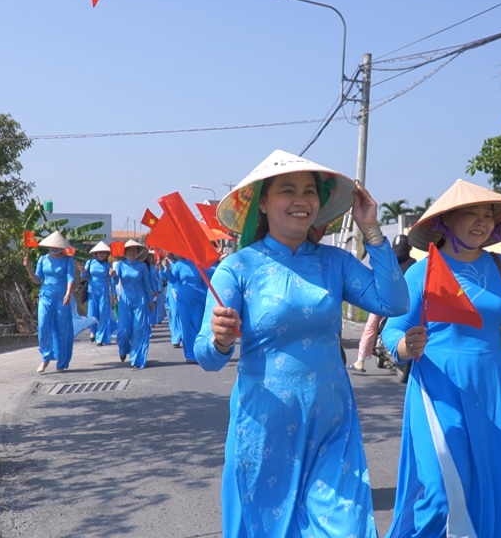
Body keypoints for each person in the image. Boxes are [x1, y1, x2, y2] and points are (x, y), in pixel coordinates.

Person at [194, 149, 410, 538]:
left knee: (343, 528)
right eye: (287, 191)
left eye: (309, 192)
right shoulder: (238, 267)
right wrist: (220, 340)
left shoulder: (335, 263)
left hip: (331, 424)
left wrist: (371, 231)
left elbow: (394, 302)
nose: (301, 200)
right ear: (263, 203)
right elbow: (206, 357)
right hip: (263, 428)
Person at [382, 179, 501, 538]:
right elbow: (393, 331)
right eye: (471, 214)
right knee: (439, 493)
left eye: (487, 215)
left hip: (495, 394)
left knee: (493, 489)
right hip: (437, 393)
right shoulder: (423, 270)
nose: (481, 222)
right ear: (446, 222)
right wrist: (405, 346)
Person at [350, 234, 417, 372]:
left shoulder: (389, 261)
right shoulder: (413, 263)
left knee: (371, 327)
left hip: (384, 302)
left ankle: (360, 360)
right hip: (407, 303)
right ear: (409, 248)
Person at [24, 231, 76, 373]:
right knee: (43, 325)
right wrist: (28, 268)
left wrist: (68, 293)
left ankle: (62, 361)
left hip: (62, 297)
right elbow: (37, 280)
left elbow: (70, 278)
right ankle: (45, 357)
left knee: (62, 328)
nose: (54, 247)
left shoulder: (67, 259)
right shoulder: (42, 259)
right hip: (46, 296)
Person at [165, 253, 212, 364]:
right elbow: (172, 280)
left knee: (198, 326)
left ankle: (199, 353)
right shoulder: (179, 265)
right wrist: (167, 269)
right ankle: (190, 355)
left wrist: (209, 300)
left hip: (199, 299)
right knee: (186, 326)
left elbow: (207, 283)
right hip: (183, 300)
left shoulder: (202, 265)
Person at [114, 240, 154, 369]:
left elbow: (146, 284)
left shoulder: (142, 266)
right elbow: (115, 280)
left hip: (140, 301)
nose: (132, 252)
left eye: (134, 250)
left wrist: (150, 301)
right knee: (123, 331)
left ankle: (137, 359)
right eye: (129, 250)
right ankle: (123, 349)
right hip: (125, 302)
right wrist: (113, 275)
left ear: (138, 252)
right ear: (124, 252)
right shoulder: (120, 264)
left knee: (139, 330)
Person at [82, 241, 116, 345]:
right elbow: (84, 276)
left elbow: (112, 281)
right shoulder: (90, 262)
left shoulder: (108, 265)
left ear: (107, 254)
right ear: (95, 254)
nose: (101, 254)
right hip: (92, 290)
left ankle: (101, 338)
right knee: (91, 313)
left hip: (104, 291)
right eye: (99, 252)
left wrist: (114, 294)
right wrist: (83, 271)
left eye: (104, 253)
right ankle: (93, 331)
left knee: (103, 314)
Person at [165, 254, 184, 348]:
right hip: (172, 290)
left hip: (183, 290)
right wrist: (165, 267)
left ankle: (184, 336)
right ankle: (176, 338)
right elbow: (164, 276)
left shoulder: (185, 264)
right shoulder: (170, 264)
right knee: (175, 313)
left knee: (183, 314)